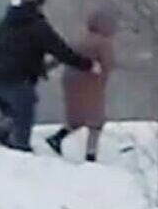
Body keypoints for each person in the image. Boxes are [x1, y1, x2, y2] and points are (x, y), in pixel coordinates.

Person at [0, 0, 95, 152]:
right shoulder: (37, 26)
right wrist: (88, 65)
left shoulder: (4, 22)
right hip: (13, 78)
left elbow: (8, 50)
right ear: (37, 6)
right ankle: (21, 147)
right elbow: (61, 51)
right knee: (25, 108)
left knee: (13, 110)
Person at [46, 10, 118, 162]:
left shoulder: (79, 39)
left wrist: (45, 68)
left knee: (76, 116)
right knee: (96, 120)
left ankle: (57, 138)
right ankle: (90, 154)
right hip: (91, 83)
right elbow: (108, 64)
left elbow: (63, 55)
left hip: (70, 81)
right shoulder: (103, 43)